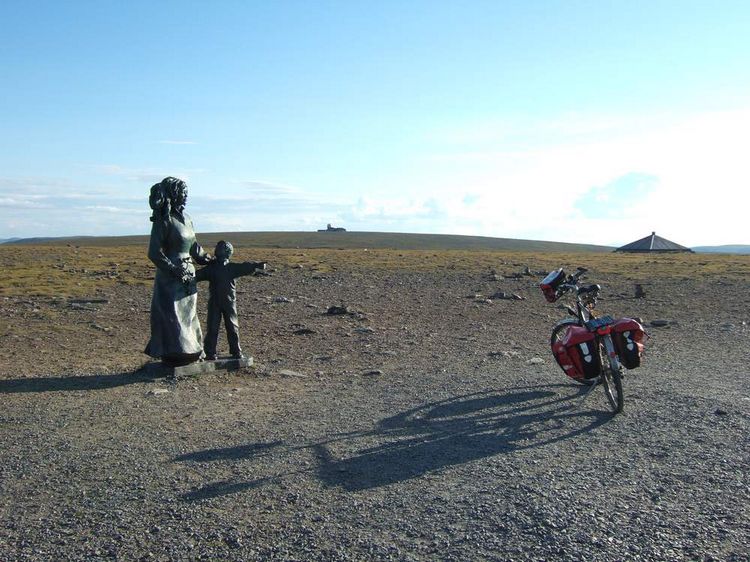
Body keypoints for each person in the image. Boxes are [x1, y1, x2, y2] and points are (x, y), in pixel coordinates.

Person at [144, 177, 213, 365]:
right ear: (174, 194)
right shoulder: (163, 220)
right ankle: (174, 352)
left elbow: (193, 246)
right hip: (171, 275)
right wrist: (173, 269)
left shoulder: (187, 219)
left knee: (189, 313)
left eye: (186, 192)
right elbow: (154, 252)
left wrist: (206, 258)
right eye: (182, 192)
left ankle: (192, 349)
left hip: (188, 274)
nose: (186, 196)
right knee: (172, 315)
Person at [195, 240, 266, 360]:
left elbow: (245, 266)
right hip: (214, 303)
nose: (216, 249)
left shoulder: (231, 267)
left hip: (229, 302)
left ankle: (236, 351)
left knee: (232, 326)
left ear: (227, 252)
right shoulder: (211, 268)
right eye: (217, 247)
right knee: (212, 327)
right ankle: (210, 352)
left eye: (220, 247)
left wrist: (256, 265)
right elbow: (197, 275)